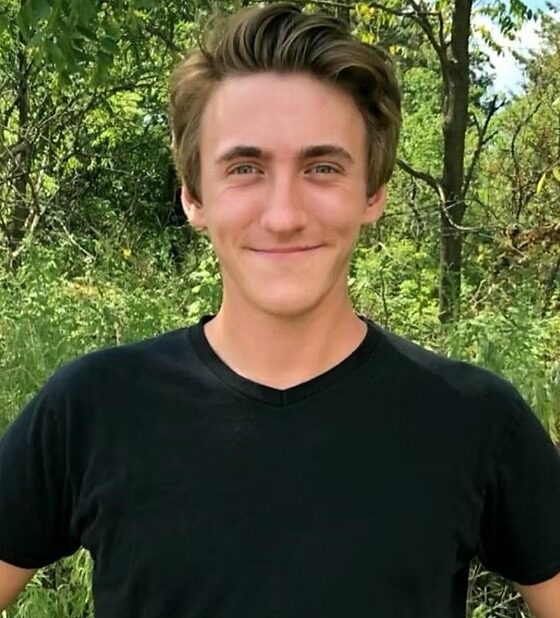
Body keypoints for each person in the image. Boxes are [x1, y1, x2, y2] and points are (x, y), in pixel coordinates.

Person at [1, 3, 559, 616]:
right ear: (193, 195)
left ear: (372, 192)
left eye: (322, 167)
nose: (284, 214)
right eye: (245, 168)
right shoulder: (92, 408)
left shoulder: (474, 420)